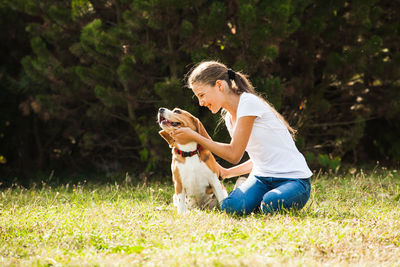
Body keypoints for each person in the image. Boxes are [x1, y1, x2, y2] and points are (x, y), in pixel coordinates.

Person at [171, 61, 312, 215]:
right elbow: (260, 157)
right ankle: (257, 198)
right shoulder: (229, 118)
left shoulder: (248, 103)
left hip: (294, 180)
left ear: (219, 86)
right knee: (230, 207)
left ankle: (263, 201)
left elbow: (234, 154)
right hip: (262, 178)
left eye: (202, 95)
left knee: (271, 203)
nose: (201, 102)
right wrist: (226, 173)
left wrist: (195, 136)